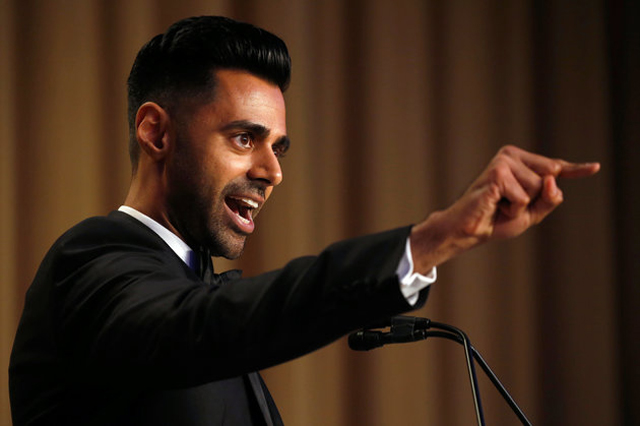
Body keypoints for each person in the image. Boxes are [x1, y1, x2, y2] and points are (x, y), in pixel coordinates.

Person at [8, 15, 600, 426]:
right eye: (244, 139)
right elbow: (204, 327)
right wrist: (430, 241)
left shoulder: (192, 287)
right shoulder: (90, 262)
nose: (272, 172)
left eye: (278, 148)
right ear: (156, 131)